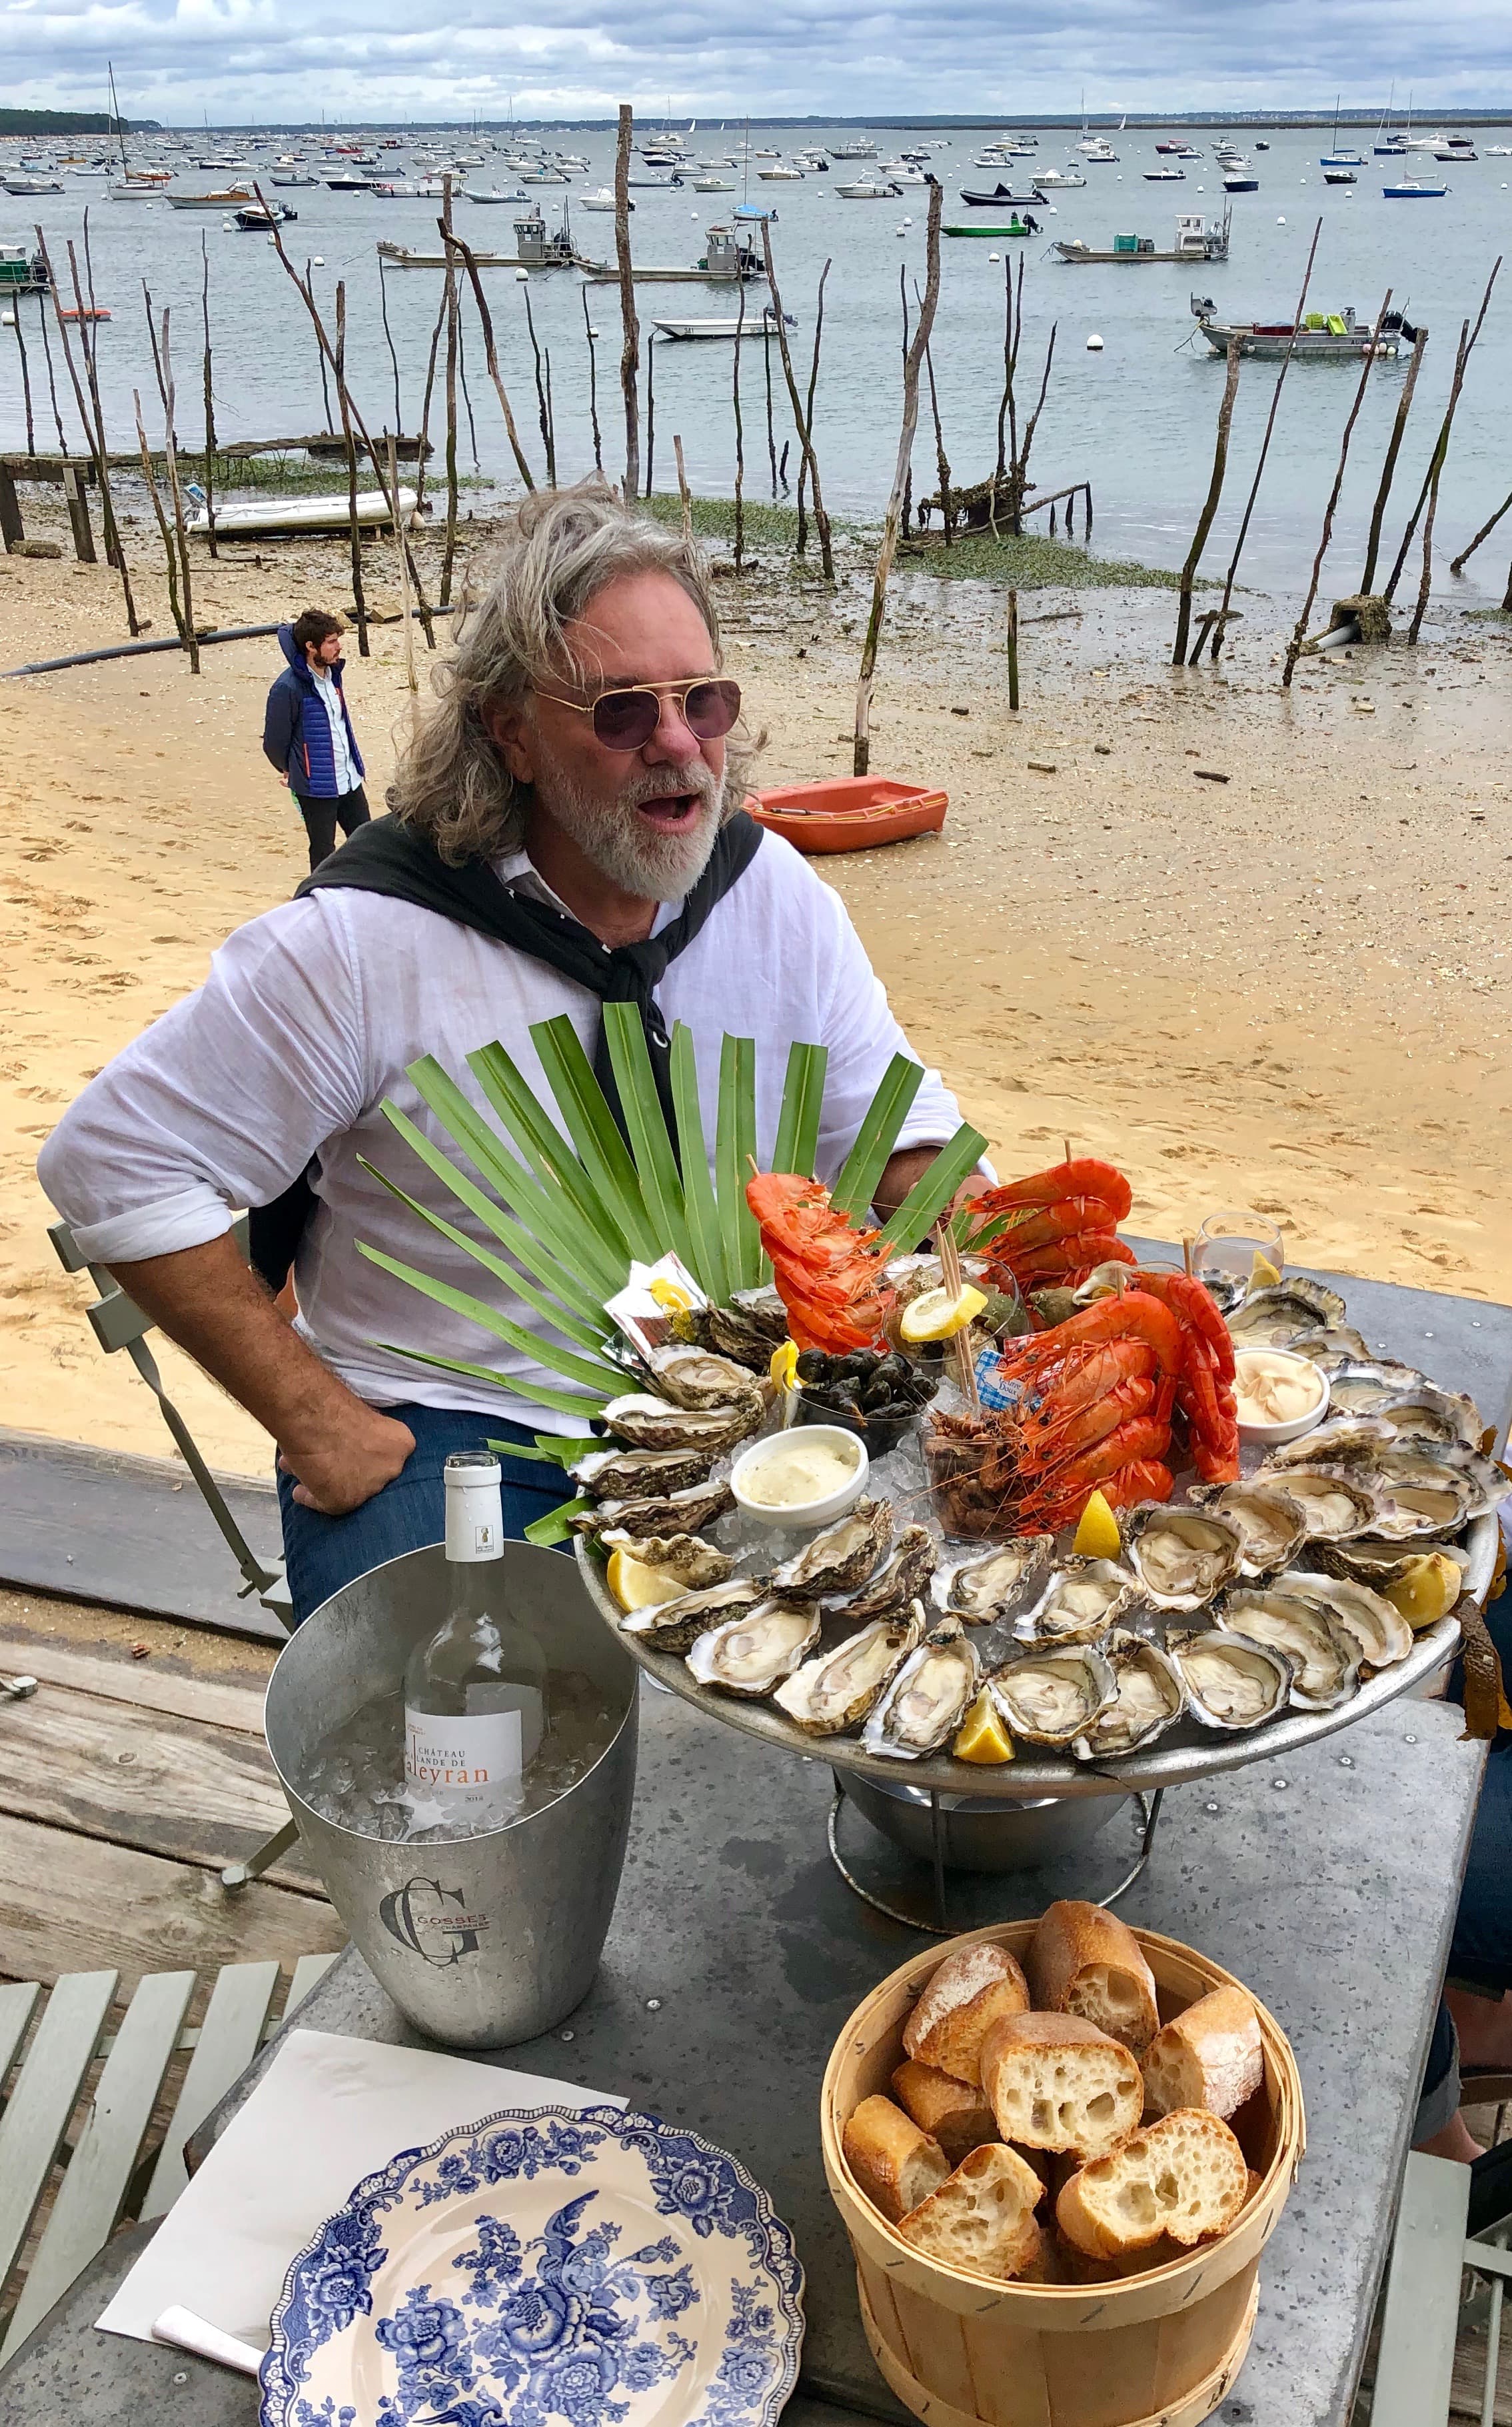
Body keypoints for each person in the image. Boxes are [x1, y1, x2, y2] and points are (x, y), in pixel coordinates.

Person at [40, 481, 972, 1625]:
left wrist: (989, 1239)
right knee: (453, 1713)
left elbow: (894, 1129)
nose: (678, 743)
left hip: (749, 1398)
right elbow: (113, 1162)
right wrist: (314, 1420)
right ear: (510, 733)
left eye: (703, 700)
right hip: (461, 1423)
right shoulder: (363, 943)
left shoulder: (770, 892)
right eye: (621, 712)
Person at [263, 608, 371, 874]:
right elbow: (274, 743)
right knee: (323, 851)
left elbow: (340, 725)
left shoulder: (334, 675)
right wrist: (291, 768)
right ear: (311, 646)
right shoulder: (287, 687)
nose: (339, 647)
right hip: (315, 786)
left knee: (368, 844)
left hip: (350, 777)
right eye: (331, 641)